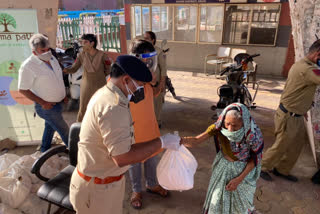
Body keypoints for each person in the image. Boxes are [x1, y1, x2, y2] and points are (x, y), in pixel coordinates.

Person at [69, 55, 181, 214]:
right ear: (126, 80)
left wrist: (159, 141)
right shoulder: (113, 107)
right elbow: (122, 158)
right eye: (140, 85)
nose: (139, 89)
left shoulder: (107, 92)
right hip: (97, 190)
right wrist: (161, 143)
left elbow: (125, 145)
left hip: (105, 183)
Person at [181, 103, 264, 214]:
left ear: (244, 123)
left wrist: (238, 180)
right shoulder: (218, 127)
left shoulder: (253, 135)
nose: (230, 129)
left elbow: (254, 160)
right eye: (227, 124)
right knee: (217, 198)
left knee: (241, 205)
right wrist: (179, 141)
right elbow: (196, 140)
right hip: (223, 168)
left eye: (235, 126)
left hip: (243, 172)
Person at [260, 39, 320, 182]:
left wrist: (303, 108)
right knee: (281, 145)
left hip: (297, 114)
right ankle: (261, 167)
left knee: (297, 145)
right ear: (318, 53)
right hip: (289, 115)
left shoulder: (303, 64)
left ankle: (282, 169)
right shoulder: (307, 69)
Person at [128, 39, 168, 209]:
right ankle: (136, 190)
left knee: (152, 158)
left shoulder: (147, 80)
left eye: (150, 61)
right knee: (135, 162)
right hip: (133, 131)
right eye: (145, 62)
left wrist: (156, 82)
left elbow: (156, 93)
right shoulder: (123, 79)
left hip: (150, 128)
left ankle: (152, 184)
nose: (148, 65)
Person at [18, 34, 69, 152]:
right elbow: (22, 89)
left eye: (48, 49)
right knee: (65, 131)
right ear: (34, 51)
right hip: (47, 107)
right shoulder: (28, 66)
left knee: (49, 127)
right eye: (43, 50)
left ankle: (44, 150)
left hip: (59, 103)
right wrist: (42, 103)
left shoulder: (52, 59)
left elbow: (58, 78)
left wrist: (63, 95)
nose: (47, 52)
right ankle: (78, 156)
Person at [63, 34, 111, 122]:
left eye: (85, 42)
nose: (83, 44)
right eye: (82, 42)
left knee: (101, 106)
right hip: (86, 85)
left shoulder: (102, 55)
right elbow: (74, 68)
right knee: (83, 107)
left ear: (92, 43)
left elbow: (108, 69)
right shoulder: (81, 55)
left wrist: (100, 75)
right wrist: (66, 70)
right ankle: (80, 127)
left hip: (100, 85)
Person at [144, 31, 167, 128]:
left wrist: (161, 84)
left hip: (156, 82)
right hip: (145, 83)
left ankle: (157, 122)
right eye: (144, 38)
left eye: (147, 38)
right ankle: (148, 122)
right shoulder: (143, 51)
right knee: (147, 103)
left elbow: (163, 69)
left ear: (153, 40)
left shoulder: (159, 52)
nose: (145, 40)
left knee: (157, 103)